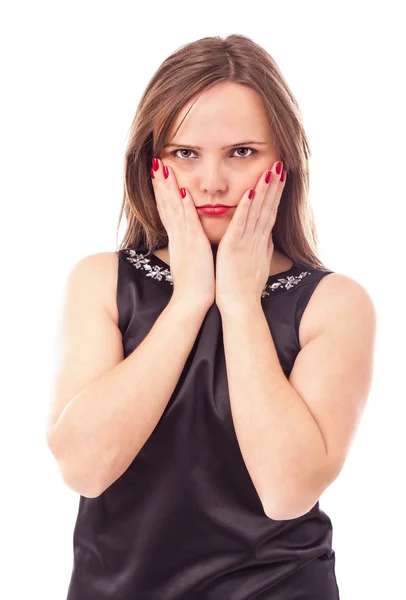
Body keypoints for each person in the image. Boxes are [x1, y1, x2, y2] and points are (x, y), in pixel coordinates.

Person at [46, 34, 376, 599]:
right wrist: (192, 297)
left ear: (284, 163)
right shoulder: (103, 283)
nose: (213, 182)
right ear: (153, 163)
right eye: (186, 153)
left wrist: (241, 304)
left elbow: (286, 492)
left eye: (242, 153)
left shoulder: (333, 304)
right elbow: (83, 468)